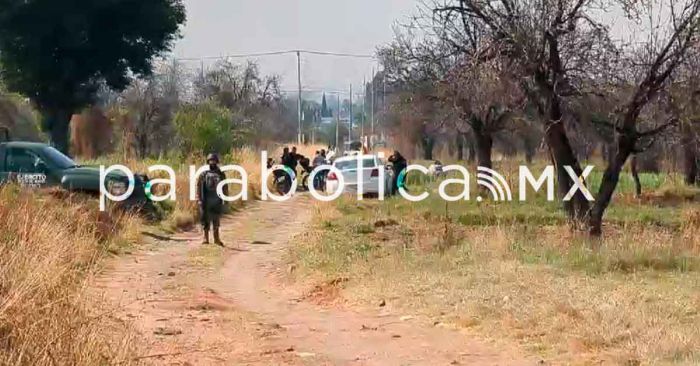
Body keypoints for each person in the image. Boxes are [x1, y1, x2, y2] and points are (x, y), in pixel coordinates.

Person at [196, 153, 228, 246]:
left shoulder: (221, 174)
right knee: (205, 220)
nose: (212, 162)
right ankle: (205, 238)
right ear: (208, 161)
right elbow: (199, 187)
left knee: (216, 220)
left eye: (213, 160)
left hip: (217, 200)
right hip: (206, 200)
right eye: (210, 160)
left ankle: (216, 238)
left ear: (216, 161)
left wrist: (225, 199)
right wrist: (199, 198)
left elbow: (225, 187)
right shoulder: (203, 174)